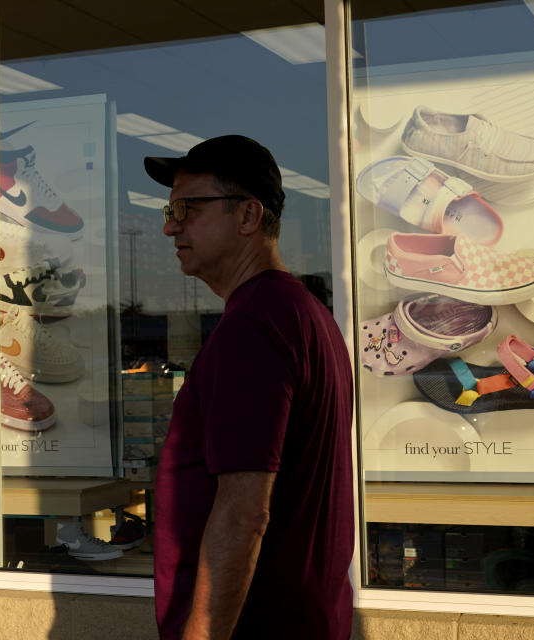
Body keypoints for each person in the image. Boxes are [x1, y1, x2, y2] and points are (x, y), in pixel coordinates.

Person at [144, 135, 354, 640]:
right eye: (169, 210)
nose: (171, 226)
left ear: (247, 217)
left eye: (188, 208)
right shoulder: (303, 313)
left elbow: (243, 512)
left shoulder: (253, 328)